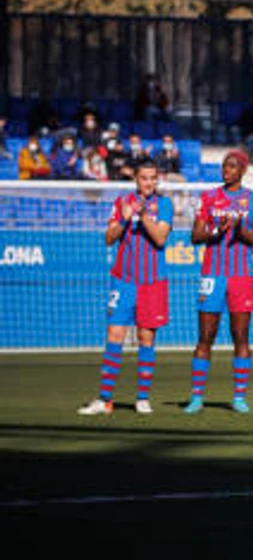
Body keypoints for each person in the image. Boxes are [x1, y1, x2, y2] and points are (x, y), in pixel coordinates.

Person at [79, 159, 174, 416]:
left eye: (154, 178)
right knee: (114, 336)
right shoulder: (122, 202)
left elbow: (160, 238)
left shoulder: (164, 204)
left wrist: (142, 215)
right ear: (136, 178)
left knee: (146, 338)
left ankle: (142, 398)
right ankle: (104, 399)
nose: (150, 183)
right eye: (145, 178)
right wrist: (123, 220)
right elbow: (108, 239)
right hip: (124, 280)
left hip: (153, 281)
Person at [184, 150, 253, 413]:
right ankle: (197, 397)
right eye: (224, 166)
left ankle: (239, 397)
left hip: (241, 276)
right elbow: (195, 236)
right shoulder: (209, 197)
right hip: (212, 275)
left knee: (240, 335)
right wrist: (215, 229)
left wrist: (240, 228)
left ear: (242, 170)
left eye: (232, 166)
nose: (226, 170)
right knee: (205, 336)